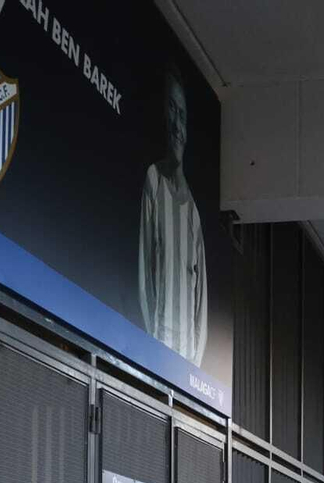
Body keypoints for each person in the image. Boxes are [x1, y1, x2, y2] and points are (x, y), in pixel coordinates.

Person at [138, 64, 208, 367]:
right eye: (171, 110)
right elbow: (145, 273)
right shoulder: (153, 180)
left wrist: (194, 368)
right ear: (163, 117)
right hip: (158, 348)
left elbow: (201, 303)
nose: (177, 124)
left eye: (182, 115)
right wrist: (151, 346)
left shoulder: (193, 213)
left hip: (187, 362)